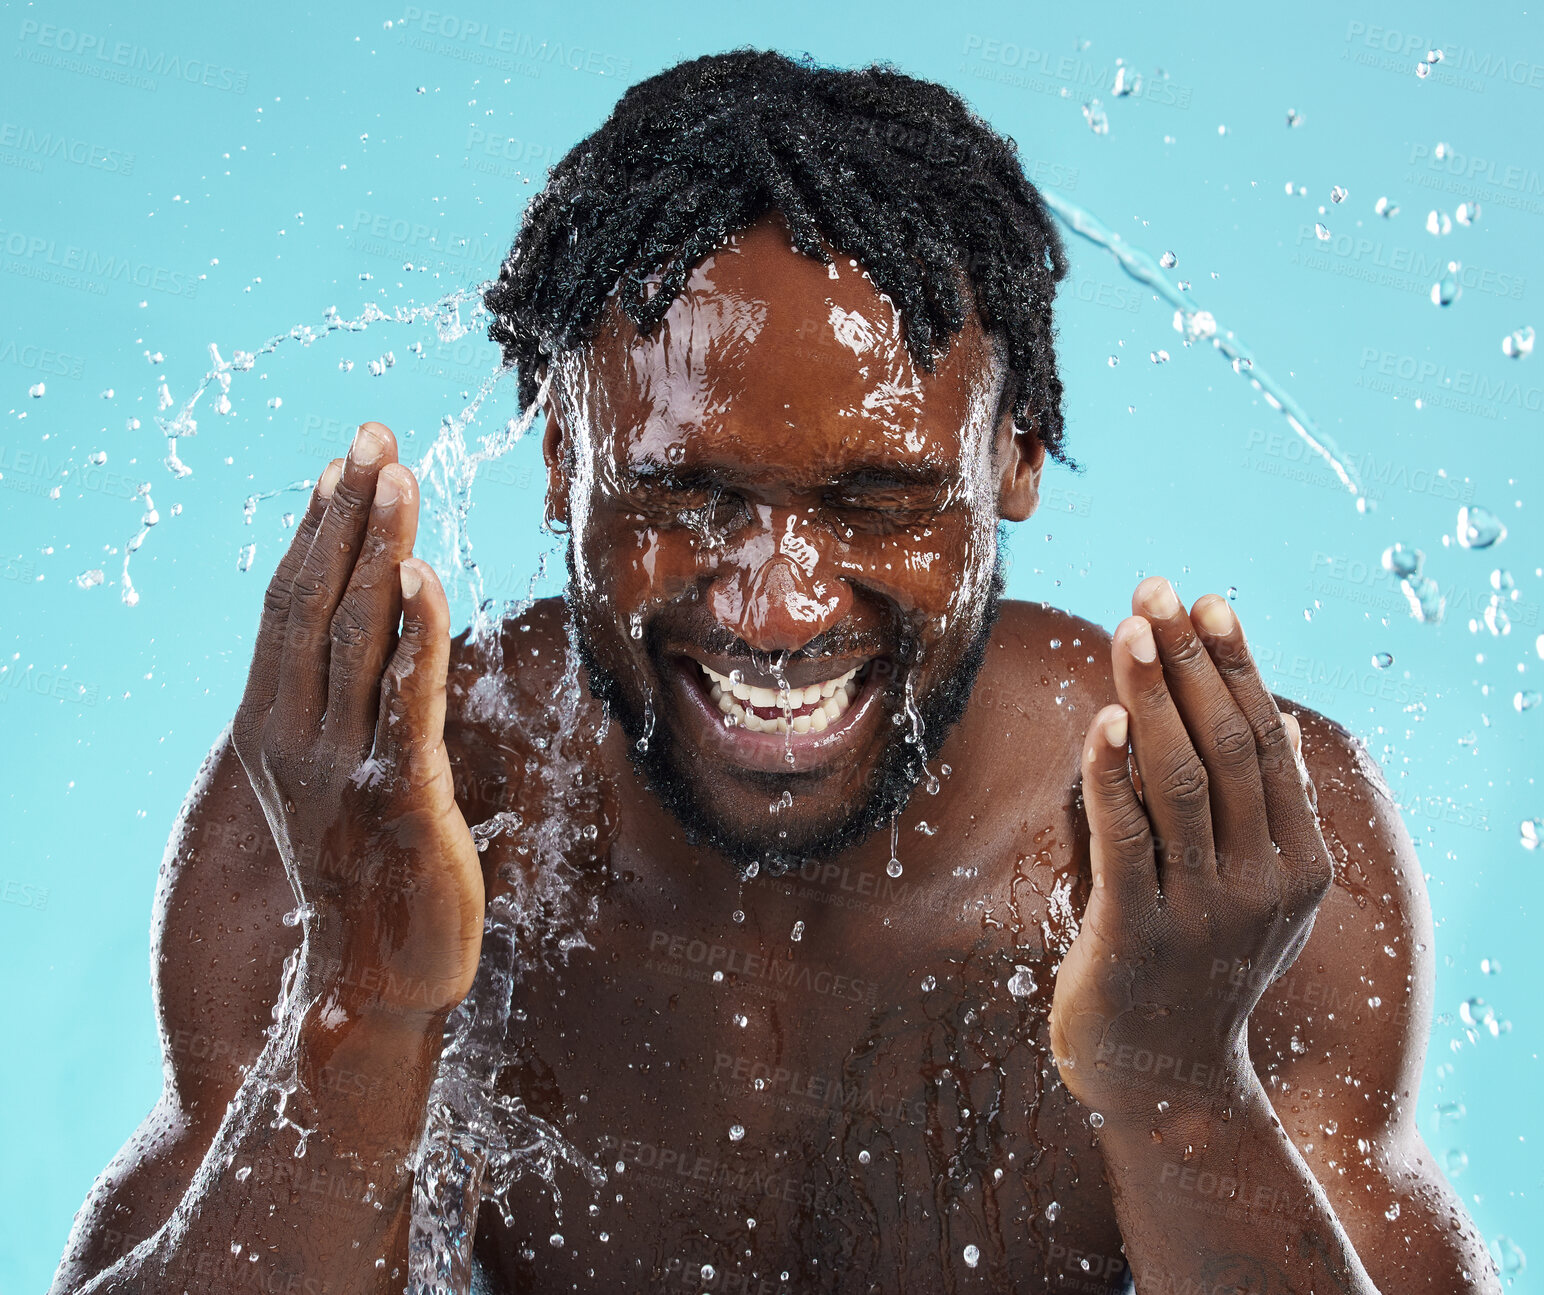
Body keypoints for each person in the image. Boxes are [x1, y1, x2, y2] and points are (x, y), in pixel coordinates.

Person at [54, 50, 1496, 1295]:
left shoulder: (1214, 875)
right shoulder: (379, 815)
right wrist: (361, 1010)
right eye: (687, 496)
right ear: (565, 455)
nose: (778, 607)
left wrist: (1185, 1091)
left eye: (877, 500)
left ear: (1016, 457)